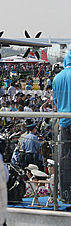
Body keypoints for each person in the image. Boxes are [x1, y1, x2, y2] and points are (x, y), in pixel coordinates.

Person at [52, 49, 71, 203]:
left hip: (63, 122)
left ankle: (65, 194)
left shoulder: (57, 77)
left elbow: (56, 101)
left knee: (65, 159)